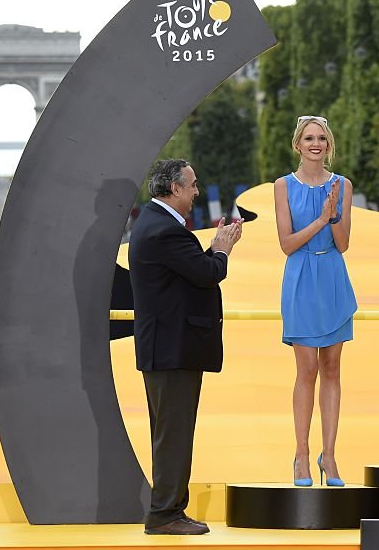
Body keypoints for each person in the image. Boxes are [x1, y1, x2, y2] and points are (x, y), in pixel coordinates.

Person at [129, 159, 242, 535]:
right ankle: (164, 514)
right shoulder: (165, 231)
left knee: (171, 433)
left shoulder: (155, 224)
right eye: (192, 185)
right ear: (174, 188)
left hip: (167, 349)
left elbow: (193, 270)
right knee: (173, 435)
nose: (196, 191)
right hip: (172, 349)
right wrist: (222, 250)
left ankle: (171, 509)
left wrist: (213, 249)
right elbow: (208, 274)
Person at [273, 115, 357, 487]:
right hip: (302, 278)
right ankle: (302, 455)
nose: (315, 144)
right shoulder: (282, 186)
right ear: (297, 144)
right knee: (307, 368)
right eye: (308, 138)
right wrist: (322, 218)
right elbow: (287, 244)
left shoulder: (343, 185)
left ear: (329, 143)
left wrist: (334, 214)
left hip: (334, 277)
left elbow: (343, 243)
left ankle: (331, 455)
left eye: (321, 138)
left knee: (333, 369)